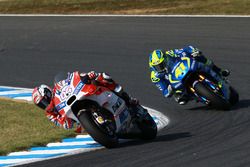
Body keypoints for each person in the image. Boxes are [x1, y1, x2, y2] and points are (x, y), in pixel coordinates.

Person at [32, 71, 138, 133]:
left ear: (48, 93)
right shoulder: (50, 113)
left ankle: (128, 99)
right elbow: (65, 126)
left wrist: (87, 76)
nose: (45, 104)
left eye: (44, 100)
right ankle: (102, 127)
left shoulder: (59, 88)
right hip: (79, 120)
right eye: (41, 104)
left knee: (104, 77)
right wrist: (65, 121)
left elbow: (74, 78)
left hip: (82, 95)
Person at [149, 45, 230, 105]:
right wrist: (169, 90)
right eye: (157, 66)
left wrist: (193, 51)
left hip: (185, 67)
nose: (160, 67)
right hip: (176, 83)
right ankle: (193, 96)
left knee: (200, 58)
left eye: (161, 64)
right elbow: (164, 92)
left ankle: (219, 71)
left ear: (165, 59)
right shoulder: (155, 76)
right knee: (178, 97)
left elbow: (184, 50)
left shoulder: (170, 53)